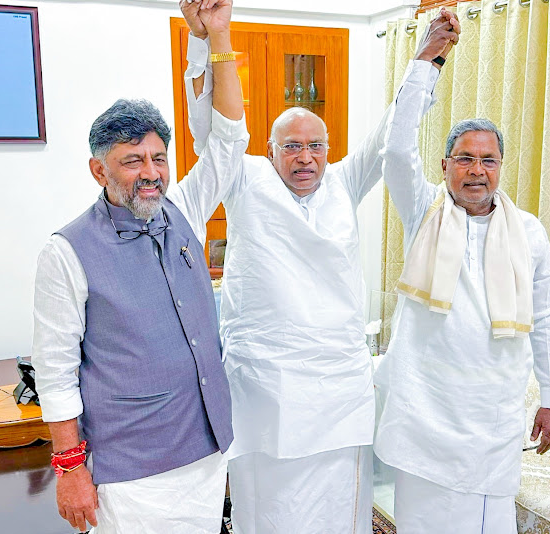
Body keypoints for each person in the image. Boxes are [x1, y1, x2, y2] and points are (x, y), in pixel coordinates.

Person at [181, 4, 460, 532]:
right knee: (270, 508)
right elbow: (208, 130)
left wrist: (426, 58)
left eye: (315, 146)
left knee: (339, 509)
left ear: (329, 151)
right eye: (292, 147)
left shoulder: (344, 181)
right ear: (270, 151)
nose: (305, 157)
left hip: (337, 386)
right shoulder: (244, 180)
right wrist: (205, 40)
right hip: (267, 385)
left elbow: (390, 134)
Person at [31, 2, 248, 532]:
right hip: (131, 474)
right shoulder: (66, 251)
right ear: (98, 170)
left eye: (158, 158)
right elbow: (55, 372)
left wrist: (213, 37)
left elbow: (229, 141)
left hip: (206, 451)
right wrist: (69, 469)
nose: (151, 173)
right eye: (132, 161)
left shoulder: (185, 210)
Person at [373, 33, 550, 532]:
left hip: (493, 414)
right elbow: (396, 150)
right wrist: (426, 63)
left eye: (488, 160)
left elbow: (546, 318)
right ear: (444, 166)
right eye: (464, 158)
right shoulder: (424, 211)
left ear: (500, 167)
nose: (476, 171)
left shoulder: (529, 232)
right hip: (426, 410)